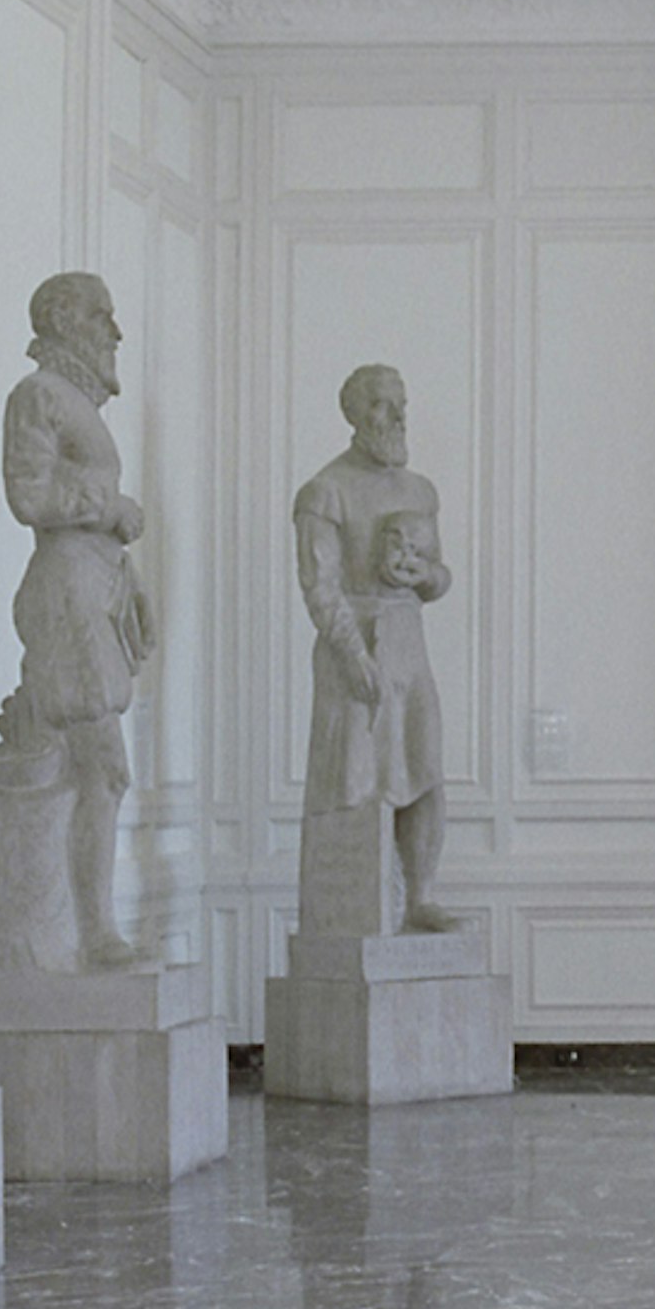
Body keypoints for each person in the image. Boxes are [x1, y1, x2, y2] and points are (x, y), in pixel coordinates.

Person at [0, 271, 154, 970]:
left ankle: (85, 930)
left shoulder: (72, 402)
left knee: (95, 770)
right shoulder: (38, 395)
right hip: (63, 594)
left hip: (92, 587)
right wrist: (109, 509)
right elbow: (27, 494)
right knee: (102, 767)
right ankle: (92, 932)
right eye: (102, 316)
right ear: (62, 321)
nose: (115, 332)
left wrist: (126, 569)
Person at [293, 365, 454, 936]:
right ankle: (353, 911)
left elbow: (440, 577)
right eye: (384, 405)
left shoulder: (420, 491)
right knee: (355, 781)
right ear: (356, 415)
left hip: (408, 641)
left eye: (402, 403)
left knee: (425, 767)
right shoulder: (325, 491)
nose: (398, 416)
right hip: (354, 643)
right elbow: (319, 585)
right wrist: (351, 654)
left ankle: (421, 897)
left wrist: (423, 574)